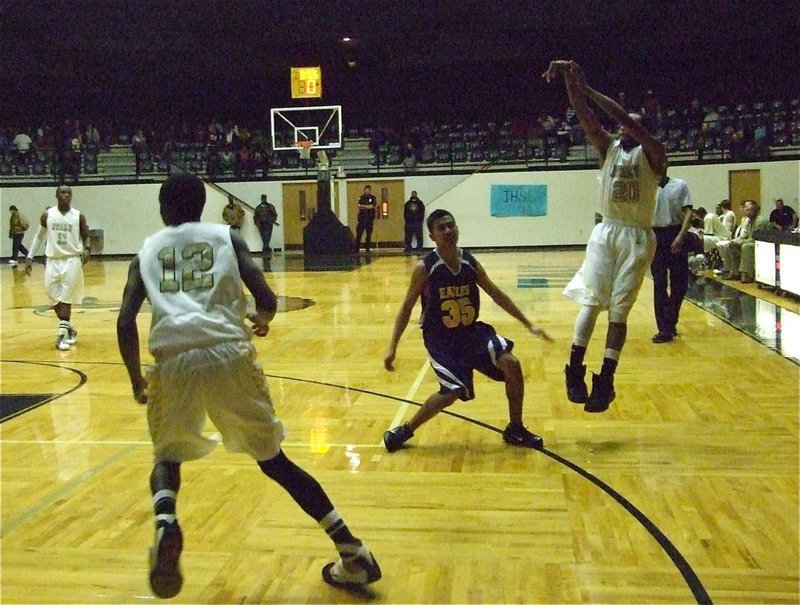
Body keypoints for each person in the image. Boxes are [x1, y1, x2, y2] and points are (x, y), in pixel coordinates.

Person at [116, 174, 381, 599]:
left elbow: (125, 321)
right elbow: (267, 299)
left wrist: (135, 378)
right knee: (275, 461)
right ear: (202, 205)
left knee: (167, 457)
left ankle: (166, 522)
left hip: (173, 361)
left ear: (164, 206)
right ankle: (352, 551)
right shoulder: (227, 238)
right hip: (228, 353)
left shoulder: (145, 251)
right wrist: (263, 319)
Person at [543, 60, 666, 413]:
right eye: (624, 128)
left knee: (619, 312)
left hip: (638, 238)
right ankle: (574, 369)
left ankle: (606, 377)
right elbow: (584, 116)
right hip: (607, 230)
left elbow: (624, 119)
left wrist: (588, 87)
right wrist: (571, 82)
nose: (624, 130)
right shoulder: (608, 148)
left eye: (631, 127)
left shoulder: (655, 153)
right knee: (592, 301)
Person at [382, 209, 552, 453]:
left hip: (472, 333)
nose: (448, 230)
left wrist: (528, 323)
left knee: (511, 363)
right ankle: (405, 431)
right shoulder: (426, 268)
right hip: (442, 340)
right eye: (442, 228)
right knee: (451, 392)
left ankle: (515, 428)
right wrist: (392, 348)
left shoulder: (469, 262)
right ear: (432, 235)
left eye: (451, 225)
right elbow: (406, 307)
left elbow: (496, 294)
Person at [24, 185, 90, 350]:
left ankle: (61, 336)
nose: (66, 195)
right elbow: (39, 236)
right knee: (53, 297)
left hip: (72, 259)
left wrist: (88, 249)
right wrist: (30, 256)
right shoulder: (48, 215)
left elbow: (86, 235)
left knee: (65, 297)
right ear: (57, 195)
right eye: (63, 192)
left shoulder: (78, 216)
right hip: (52, 260)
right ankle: (70, 329)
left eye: (69, 193)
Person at [650, 168, 693, 343]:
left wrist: (681, 236)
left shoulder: (680, 184)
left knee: (680, 283)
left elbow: (689, 211)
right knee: (659, 283)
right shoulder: (647, 186)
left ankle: (670, 321)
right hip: (654, 235)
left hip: (675, 232)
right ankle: (664, 328)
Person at [253, 194, 279, 260]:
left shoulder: (270, 206)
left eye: (265, 198)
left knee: (267, 237)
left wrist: (272, 220)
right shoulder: (258, 208)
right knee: (264, 237)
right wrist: (257, 223)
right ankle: (267, 248)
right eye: (263, 198)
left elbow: (275, 214)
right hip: (261, 225)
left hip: (268, 224)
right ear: (261, 199)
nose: (264, 199)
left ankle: (265, 249)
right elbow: (255, 217)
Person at [354, 185, 377, 253]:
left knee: (368, 235)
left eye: (368, 190)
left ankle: (367, 249)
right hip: (361, 219)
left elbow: (371, 206)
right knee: (359, 234)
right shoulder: (361, 198)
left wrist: (363, 206)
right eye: (366, 190)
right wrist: (366, 206)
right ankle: (357, 249)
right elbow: (359, 206)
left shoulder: (373, 198)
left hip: (369, 219)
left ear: (370, 190)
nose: (367, 191)